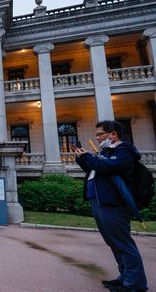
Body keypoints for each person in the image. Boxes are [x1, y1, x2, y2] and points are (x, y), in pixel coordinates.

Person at [74, 120, 148, 292]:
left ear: (113, 134)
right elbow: (95, 170)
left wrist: (89, 158)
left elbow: (106, 167)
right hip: (100, 201)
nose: (98, 138)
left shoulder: (124, 151)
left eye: (100, 134)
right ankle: (125, 277)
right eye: (97, 135)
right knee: (113, 243)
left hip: (114, 204)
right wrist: (82, 158)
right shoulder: (106, 153)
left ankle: (135, 284)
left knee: (123, 243)